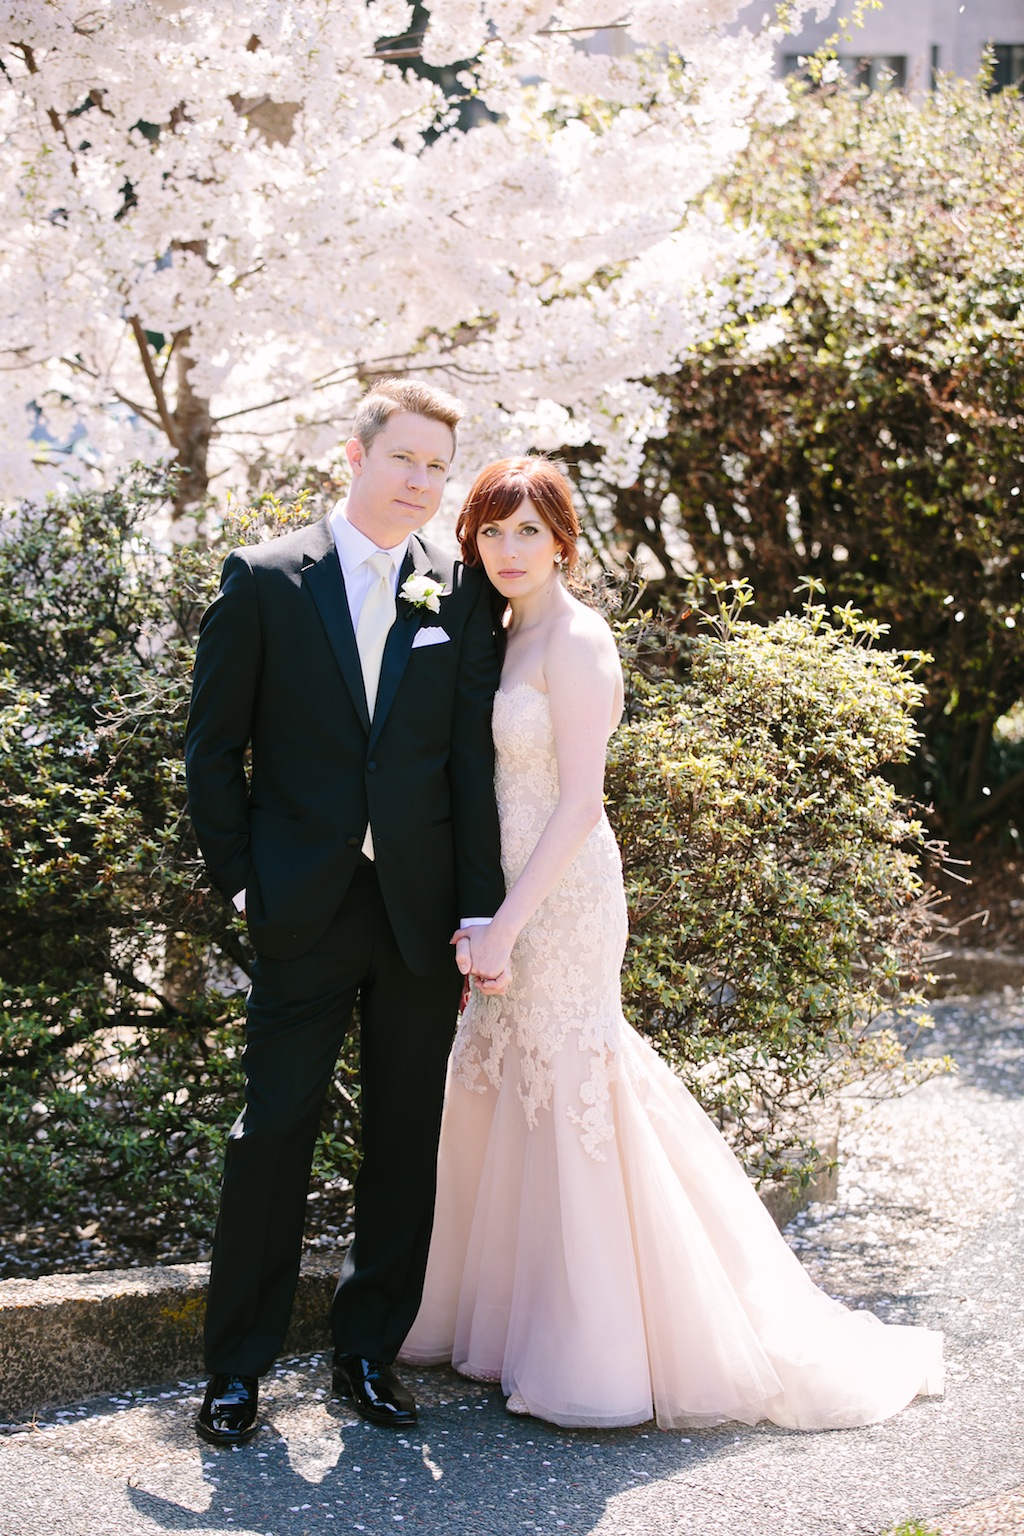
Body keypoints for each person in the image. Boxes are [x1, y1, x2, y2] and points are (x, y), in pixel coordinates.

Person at [400, 457, 944, 1431]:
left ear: (564, 540)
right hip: (499, 899)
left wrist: (506, 925)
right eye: (491, 532)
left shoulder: (577, 642)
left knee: (574, 1084)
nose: (510, 550)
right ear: (470, 543)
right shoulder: (498, 634)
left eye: (529, 531)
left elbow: (578, 806)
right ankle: (510, 1327)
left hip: (560, 901)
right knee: (505, 1077)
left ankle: (603, 1348)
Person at [184, 379, 506, 1445]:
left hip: (416, 918)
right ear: (356, 455)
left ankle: (366, 1354)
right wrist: (242, 880)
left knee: (405, 1138)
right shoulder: (268, 579)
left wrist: (474, 910)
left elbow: (465, 764)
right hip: (303, 906)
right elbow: (211, 748)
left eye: (435, 467)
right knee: (271, 1129)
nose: (420, 483)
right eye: (403, 459)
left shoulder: (456, 591)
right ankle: (237, 1368)